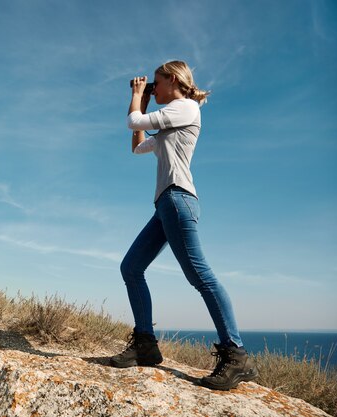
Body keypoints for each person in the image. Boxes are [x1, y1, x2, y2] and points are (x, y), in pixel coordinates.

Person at [109, 60, 258, 391]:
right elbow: (137, 145)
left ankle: (236, 355)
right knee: (131, 267)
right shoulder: (168, 123)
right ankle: (145, 344)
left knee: (199, 275)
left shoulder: (186, 108)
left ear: (173, 80)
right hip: (165, 204)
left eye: (156, 83)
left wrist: (136, 96)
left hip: (178, 199)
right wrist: (145, 102)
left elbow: (133, 119)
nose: (153, 89)